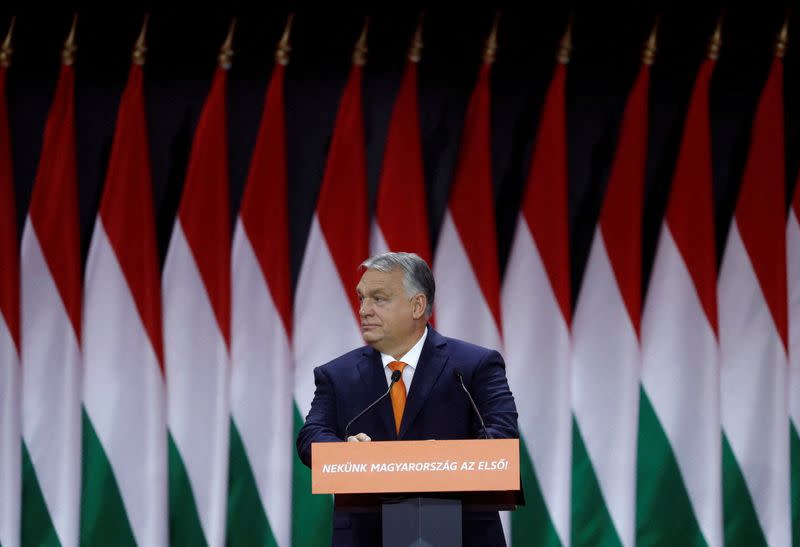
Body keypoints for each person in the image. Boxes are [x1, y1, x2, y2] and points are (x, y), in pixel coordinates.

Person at [296, 252, 518, 547]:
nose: (364, 309)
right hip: (367, 535)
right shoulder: (337, 374)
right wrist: (344, 452)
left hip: (460, 532)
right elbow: (311, 435)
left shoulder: (474, 365)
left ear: (417, 305)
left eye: (379, 298)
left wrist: (439, 461)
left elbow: (500, 434)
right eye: (362, 298)